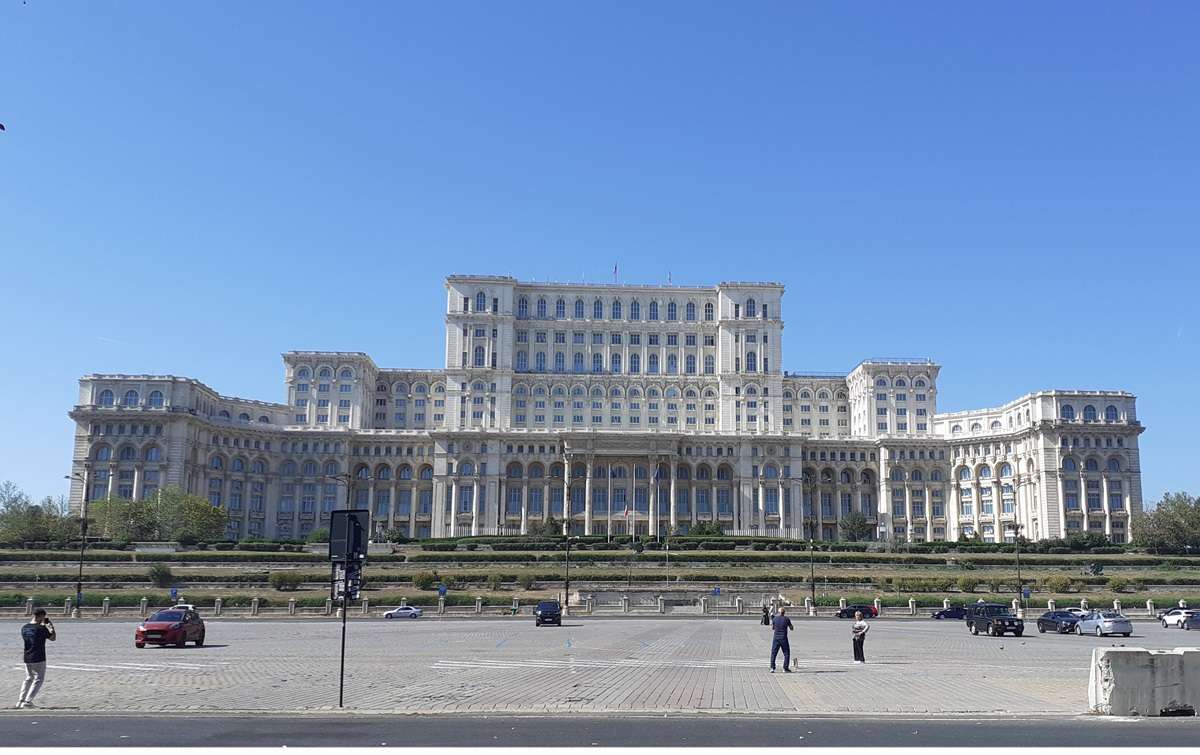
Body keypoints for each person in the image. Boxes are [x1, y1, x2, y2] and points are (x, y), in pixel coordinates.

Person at [18, 608, 55, 709]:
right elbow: (52, 638)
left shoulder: (24, 627)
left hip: (27, 656)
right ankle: (28, 701)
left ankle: (21, 700)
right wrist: (50, 627)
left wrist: (42, 625)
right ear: (40, 616)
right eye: (43, 616)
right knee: (39, 679)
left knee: (29, 678)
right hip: (38, 656)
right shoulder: (41, 628)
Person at [769, 607, 794, 673]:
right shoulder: (787, 619)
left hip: (776, 638)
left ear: (778, 612)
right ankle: (785, 668)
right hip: (783, 638)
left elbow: (773, 628)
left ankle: (772, 668)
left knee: (774, 653)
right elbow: (791, 628)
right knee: (786, 653)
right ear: (784, 613)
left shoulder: (775, 619)